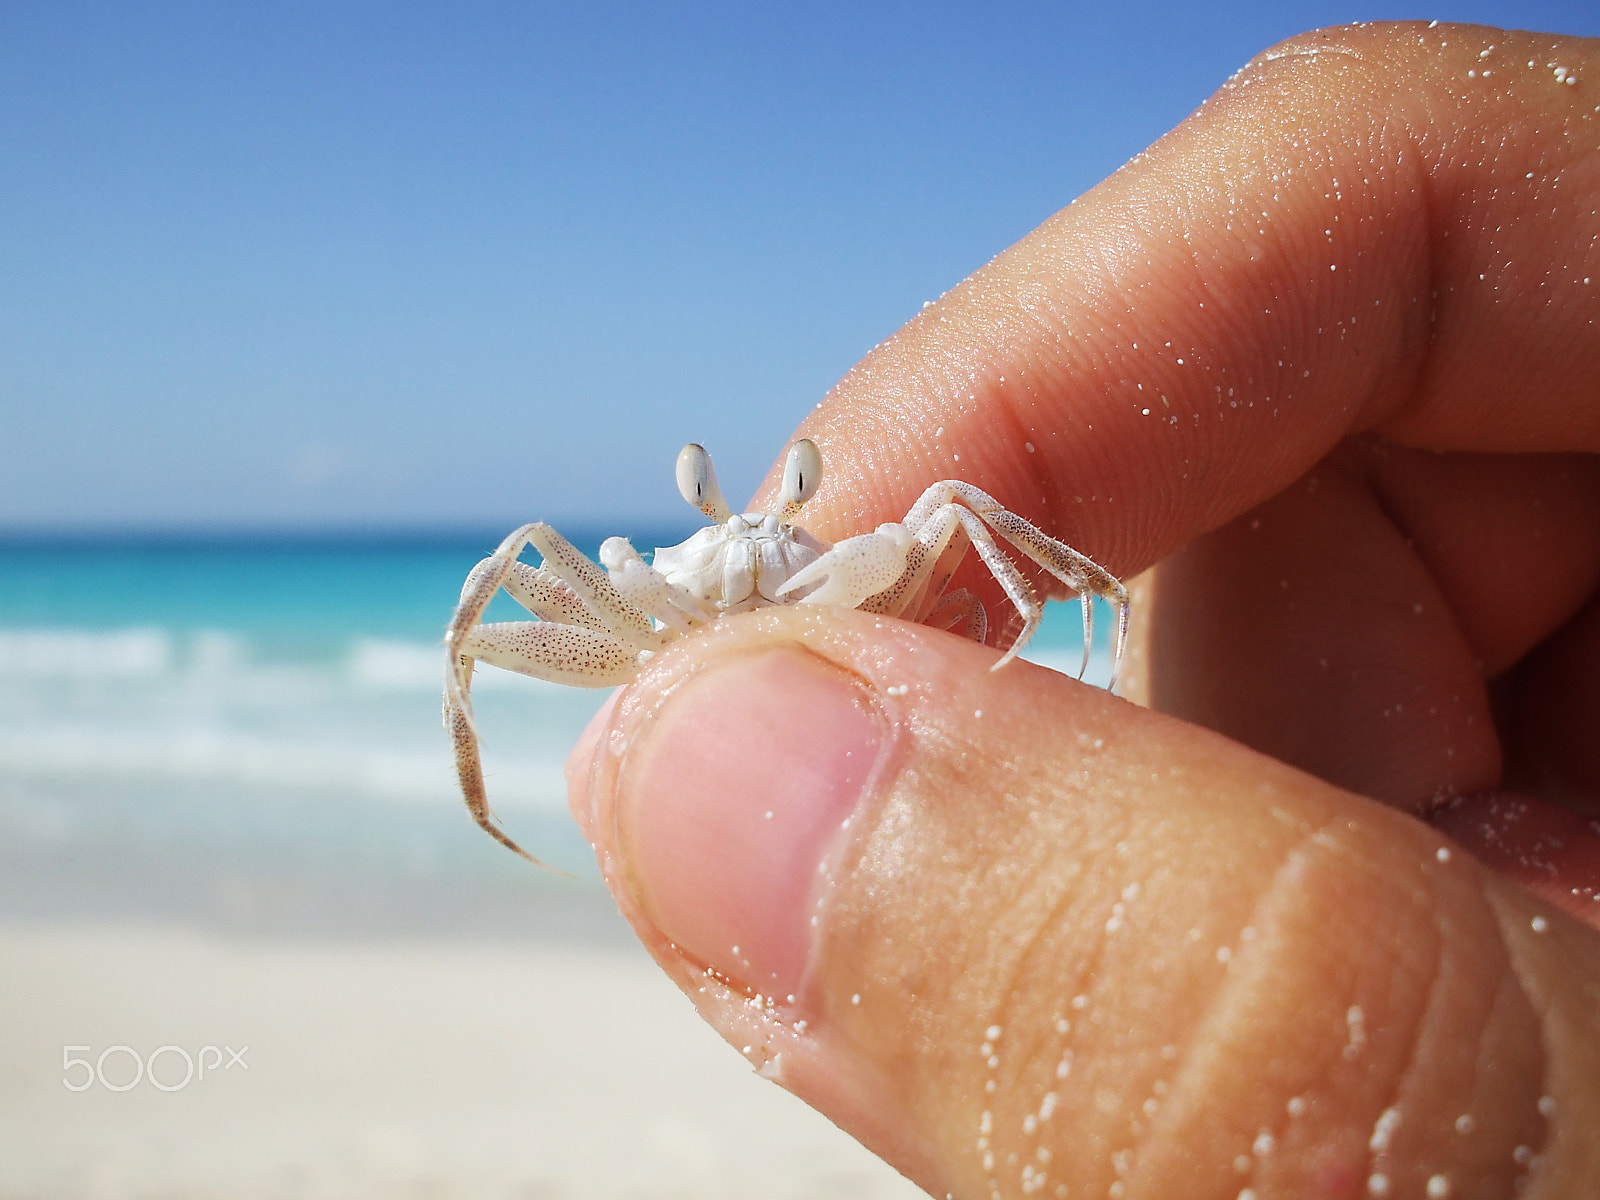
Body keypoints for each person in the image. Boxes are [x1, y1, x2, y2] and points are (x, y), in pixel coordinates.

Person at [567, 22, 1600, 1198]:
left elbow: (934, 519)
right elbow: (568, 568)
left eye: (779, 508)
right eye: (728, 517)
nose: (755, 534)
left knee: (950, 498)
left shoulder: (812, 550)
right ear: (694, 507)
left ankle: (1085, 606)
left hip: (857, 605)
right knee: (527, 563)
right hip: (670, 615)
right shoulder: (654, 576)